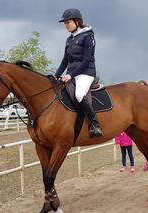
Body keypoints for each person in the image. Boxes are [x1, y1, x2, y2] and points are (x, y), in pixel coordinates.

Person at [55, 8, 103, 138]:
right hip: (73, 73)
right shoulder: (69, 40)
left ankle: (95, 125)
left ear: (77, 21)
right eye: (65, 23)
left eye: (68, 22)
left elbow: (86, 60)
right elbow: (65, 61)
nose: (66, 25)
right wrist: (55, 76)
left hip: (86, 73)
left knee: (79, 94)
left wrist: (70, 75)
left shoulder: (88, 37)